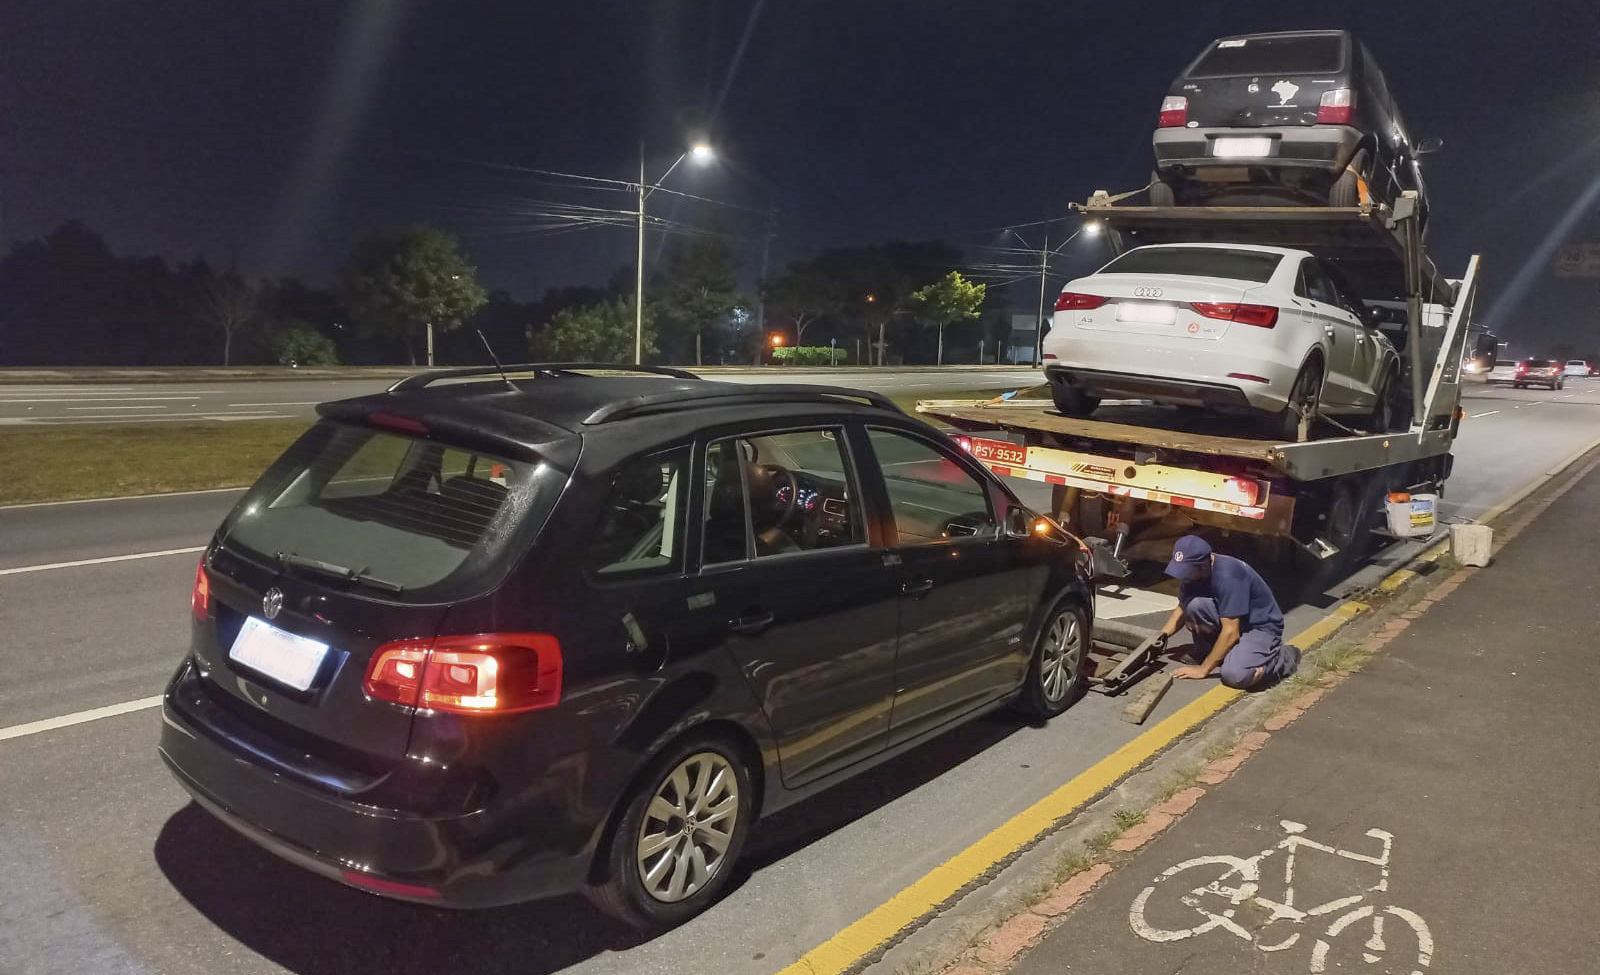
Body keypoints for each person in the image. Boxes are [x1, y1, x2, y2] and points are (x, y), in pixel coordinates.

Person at [1156, 535, 1301, 689]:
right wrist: (1160, 637)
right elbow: (1182, 608)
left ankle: (1283, 657)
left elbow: (1231, 631)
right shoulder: (1193, 574)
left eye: (1186, 570)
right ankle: (1212, 651)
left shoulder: (1229, 575)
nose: (1182, 575)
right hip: (1231, 620)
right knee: (1195, 605)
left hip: (1259, 627)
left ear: (1204, 565)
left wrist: (1203, 669)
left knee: (1235, 676)